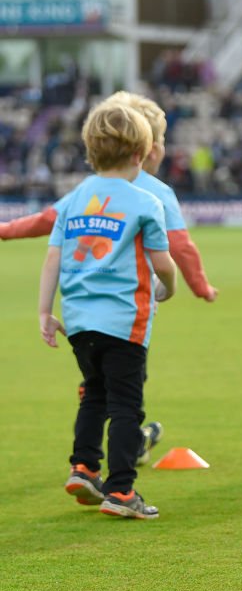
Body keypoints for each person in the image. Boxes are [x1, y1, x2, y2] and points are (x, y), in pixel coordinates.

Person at [3, 92, 217, 465]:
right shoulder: (156, 194)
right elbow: (180, 247)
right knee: (128, 382)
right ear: (146, 149)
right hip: (129, 305)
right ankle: (127, 454)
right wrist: (200, 287)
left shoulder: (88, 190)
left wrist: (6, 230)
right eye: (161, 140)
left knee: (100, 383)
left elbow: (46, 222)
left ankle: (87, 461)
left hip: (82, 309)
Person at [40, 101, 177, 519]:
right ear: (140, 153)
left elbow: (52, 260)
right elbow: (163, 262)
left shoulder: (72, 200)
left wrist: (45, 313)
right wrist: (167, 287)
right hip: (124, 322)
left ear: (89, 151)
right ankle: (121, 491)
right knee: (125, 407)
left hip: (79, 323)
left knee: (93, 396)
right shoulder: (143, 202)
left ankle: (82, 467)